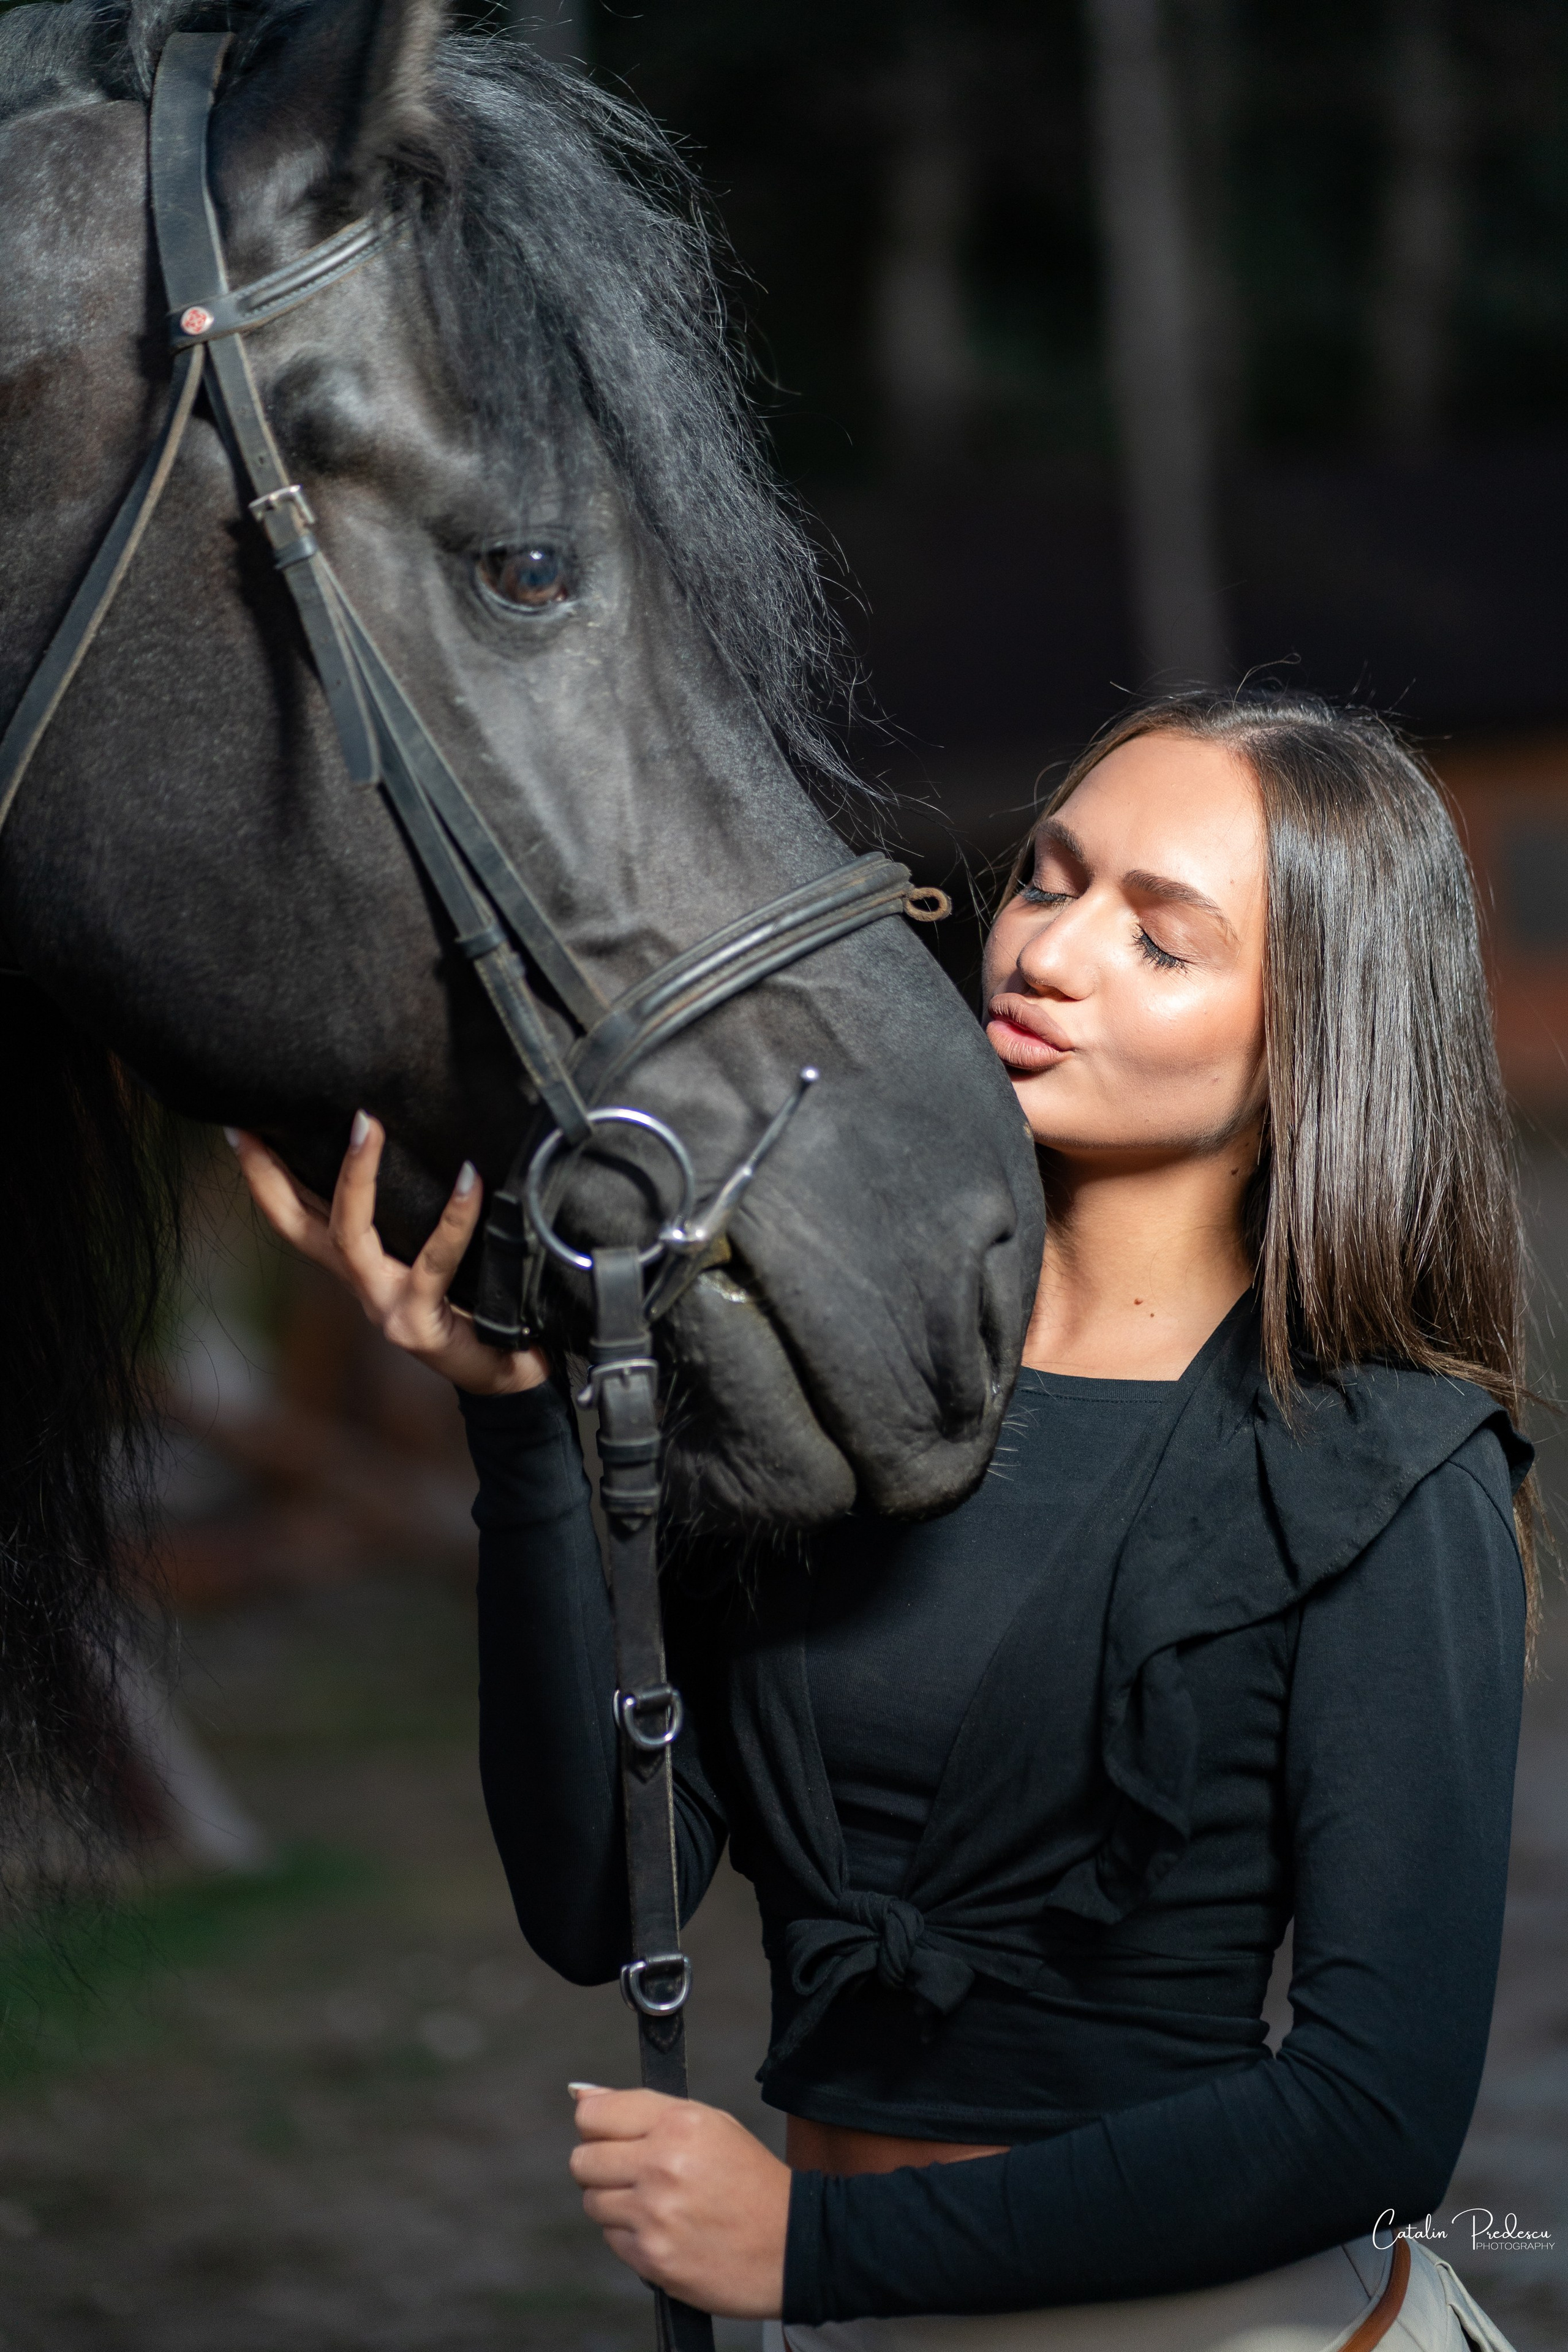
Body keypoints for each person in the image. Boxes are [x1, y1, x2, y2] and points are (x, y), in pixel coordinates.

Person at [233, 688, 1534, 2351]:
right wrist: (526, 1431)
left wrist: (818, 2249)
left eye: (1161, 938)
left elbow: (1375, 2118)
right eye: (1052, 881)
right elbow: (594, 1909)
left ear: (1312, 1035)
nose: (1047, 953)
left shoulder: (1382, 1463)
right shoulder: (810, 1397)